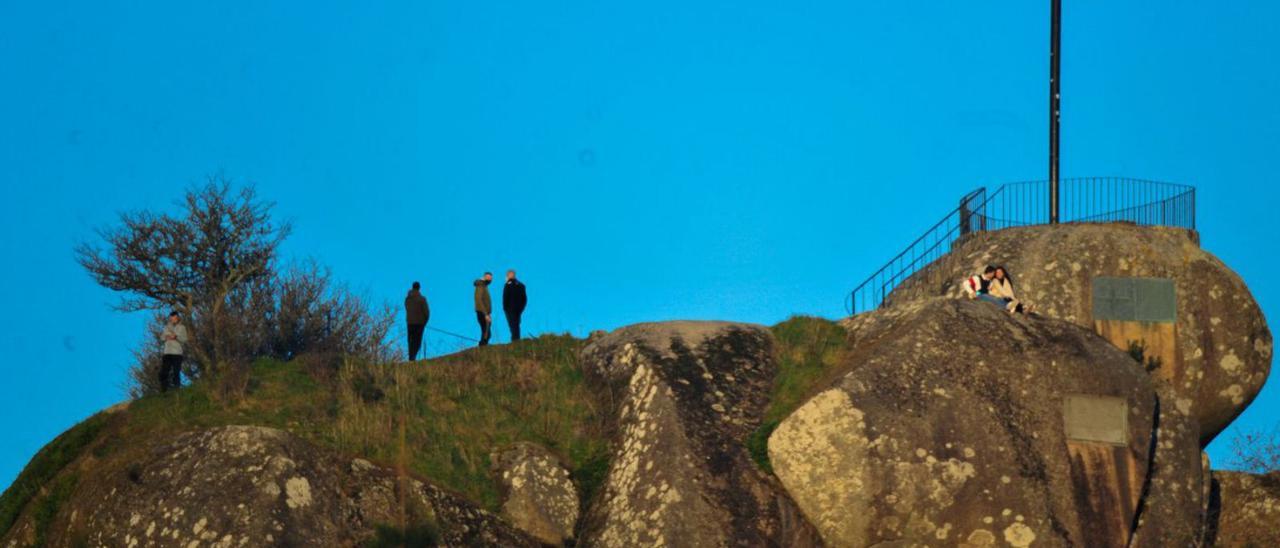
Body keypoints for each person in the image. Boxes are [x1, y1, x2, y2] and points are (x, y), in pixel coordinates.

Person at [159, 311, 189, 392]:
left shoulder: (182, 327)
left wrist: (176, 337)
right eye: (172, 318)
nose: (173, 319)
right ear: (170, 318)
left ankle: (177, 390)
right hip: (167, 352)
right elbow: (161, 338)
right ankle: (163, 390)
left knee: (176, 372)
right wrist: (166, 337)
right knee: (164, 372)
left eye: (175, 318)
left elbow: (185, 339)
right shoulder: (166, 328)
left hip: (177, 353)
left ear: (178, 318)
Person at [404, 281, 430, 361]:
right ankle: (413, 357)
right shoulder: (422, 299)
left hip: (410, 323)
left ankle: (411, 358)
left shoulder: (407, 299)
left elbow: (407, 308)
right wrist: (425, 322)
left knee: (410, 341)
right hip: (419, 323)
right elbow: (427, 312)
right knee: (417, 342)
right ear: (419, 288)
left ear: (412, 287)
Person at [502, 270, 528, 342]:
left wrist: (505, 308)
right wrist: (521, 308)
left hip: (510, 309)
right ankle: (516, 339)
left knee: (512, 324)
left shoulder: (508, 284)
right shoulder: (521, 285)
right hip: (518, 309)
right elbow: (524, 299)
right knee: (516, 324)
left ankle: (515, 340)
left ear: (508, 276)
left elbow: (505, 297)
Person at [474, 272, 493, 346]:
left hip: (485, 312)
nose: (490, 280)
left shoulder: (484, 286)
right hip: (482, 311)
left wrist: (488, 313)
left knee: (486, 331)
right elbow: (479, 300)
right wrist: (485, 314)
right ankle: (482, 346)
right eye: (488, 277)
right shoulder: (480, 285)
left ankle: (483, 345)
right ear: (484, 277)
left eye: (491, 278)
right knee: (486, 332)